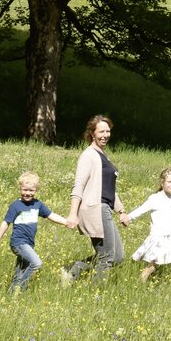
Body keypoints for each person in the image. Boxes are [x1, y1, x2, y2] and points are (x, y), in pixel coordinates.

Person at [62, 114, 124, 283]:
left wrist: (121, 211)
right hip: (96, 209)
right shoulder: (88, 155)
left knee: (117, 257)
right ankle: (97, 294)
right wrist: (72, 213)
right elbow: (79, 185)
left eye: (108, 131)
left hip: (106, 209)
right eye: (101, 132)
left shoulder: (102, 155)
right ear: (92, 133)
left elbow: (108, 188)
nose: (105, 135)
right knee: (107, 257)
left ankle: (75, 269)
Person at [120, 167, 171, 288]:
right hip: (158, 238)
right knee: (153, 266)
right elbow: (142, 209)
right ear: (162, 182)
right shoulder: (155, 198)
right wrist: (129, 217)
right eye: (169, 182)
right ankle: (138, 286)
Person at [0, 171, 68, 293]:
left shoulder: (37, 204)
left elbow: (51, 215)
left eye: (31, 190)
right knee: (36, 263)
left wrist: (66, 222)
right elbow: (5, 223)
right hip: (18, 243)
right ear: (20, 188)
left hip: (29, 244)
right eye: (25, 190)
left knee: (20, 270)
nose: (27, 193)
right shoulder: (16, 205)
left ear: (36, 190)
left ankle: (12, 294)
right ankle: (20, 286)